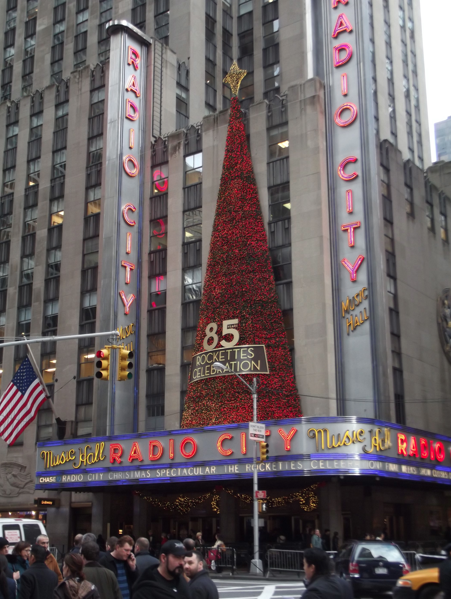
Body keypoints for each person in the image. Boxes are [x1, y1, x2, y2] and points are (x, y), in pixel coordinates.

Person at [99, 535, 138, 599]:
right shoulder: (105, 561)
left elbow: (136, 581)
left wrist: (133, 567)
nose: (128, 553)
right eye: (126, 550)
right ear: (117, 547)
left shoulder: (128, 561)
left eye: (130, 550)